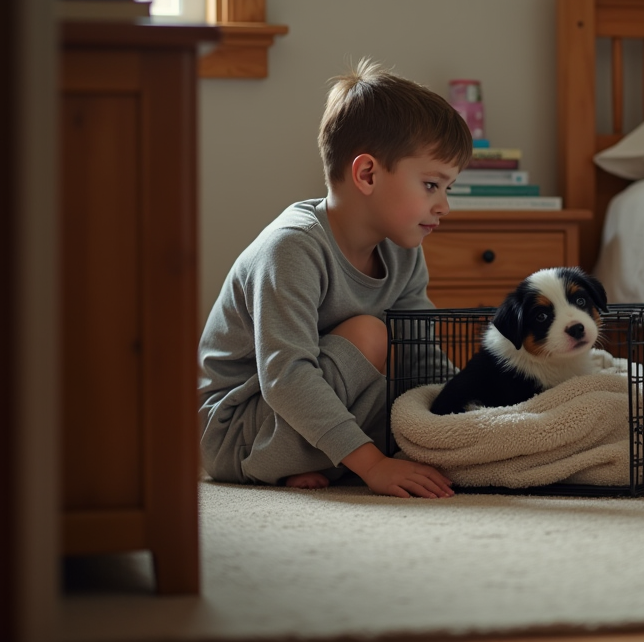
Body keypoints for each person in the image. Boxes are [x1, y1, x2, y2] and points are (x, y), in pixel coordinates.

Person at [197, 59, 472, 497]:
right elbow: (286, 377)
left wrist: (471, 415)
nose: (444, 206)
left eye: (448, 189)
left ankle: (329, 458)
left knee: (409, 395)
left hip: (315, 407)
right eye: (431, 185)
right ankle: (340, 459)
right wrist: (375, 466)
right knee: (370, 335)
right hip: (241, 429)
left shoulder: (403, 252)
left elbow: (423, 359)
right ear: (367, 174)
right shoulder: (292, 247)